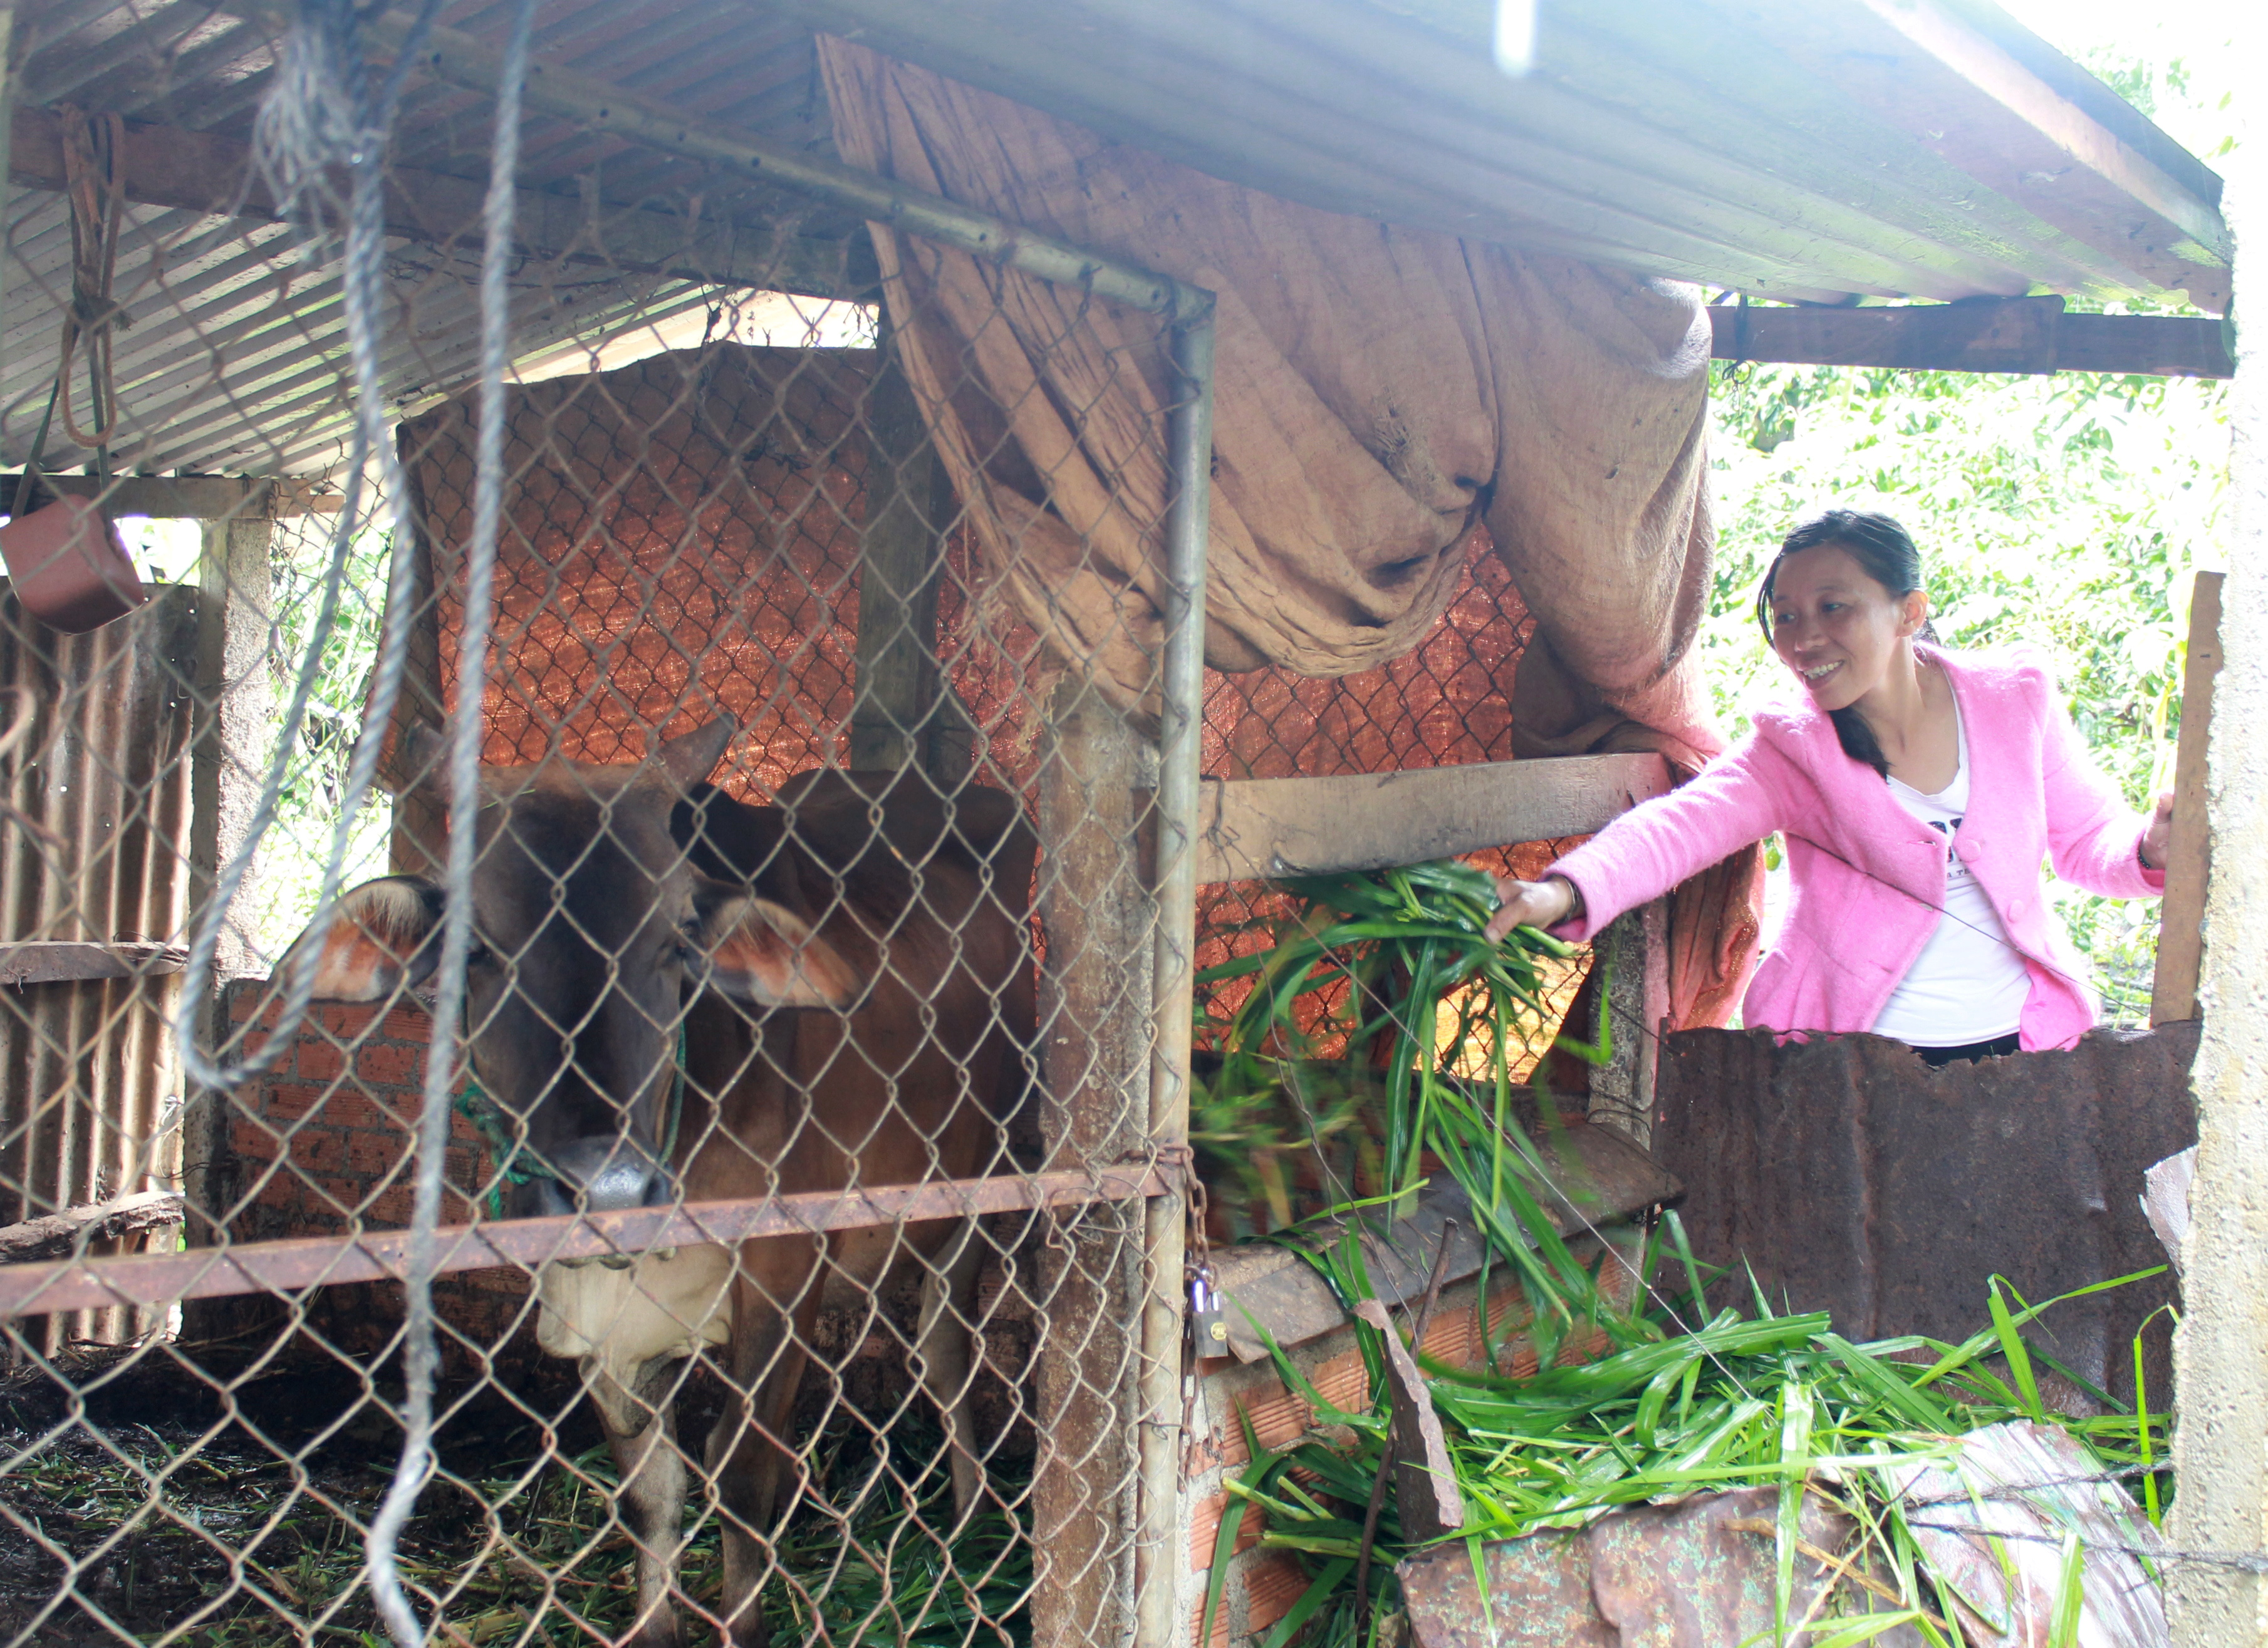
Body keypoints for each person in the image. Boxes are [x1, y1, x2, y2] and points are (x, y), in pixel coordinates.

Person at [1484, 509, 2173, 1064]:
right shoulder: (1793, 748)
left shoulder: (2013, 700)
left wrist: (2151, 847)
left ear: (1909, 612)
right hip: (1849, 1067)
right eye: (1785, 616)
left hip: (2024, 1048)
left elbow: (2088, 842)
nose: (1802, 639)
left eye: (1832, 607)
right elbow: (1676, 828)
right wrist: (1561, 891)